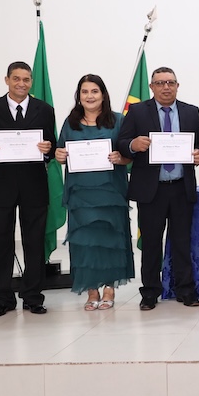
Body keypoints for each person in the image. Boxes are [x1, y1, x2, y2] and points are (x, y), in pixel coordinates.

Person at [117, 67, 199, 310]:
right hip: (151, 190)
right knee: (151, 244)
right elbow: (122, 143)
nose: (166, 87)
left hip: (181, 188)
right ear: (152, 87)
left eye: (170, 82)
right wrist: (133, 144)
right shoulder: (137, 111)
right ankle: (149, 292)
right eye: (160, 83)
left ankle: (185, 290)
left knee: (182, 242)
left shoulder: (191, 111)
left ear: (177, 85)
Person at [0, 61, 57, 318]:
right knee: (0, 243)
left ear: (31, 81)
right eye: (16, 78)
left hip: (34, 184)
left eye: (26, 79)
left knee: (34, 242)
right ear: (7, 80)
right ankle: (3, 298)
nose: (21, 83)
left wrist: (48, 150)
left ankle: (33, 296)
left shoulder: (45, 110)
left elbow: (52, 145)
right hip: (1, 185)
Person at [53, 75, 135, 310]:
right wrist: (59, 156)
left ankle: (109, 288)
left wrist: (121, 158)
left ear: (103, 95)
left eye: (94, 91)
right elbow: (60, 152)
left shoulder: (118, 121)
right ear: (78, 96)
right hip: (81, 194)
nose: (89, 96)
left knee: (110, 241)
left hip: (110, 193)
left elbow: (129, 155)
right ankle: (91, 290)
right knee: (85, 244)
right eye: (85, 91)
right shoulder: (70, 122)